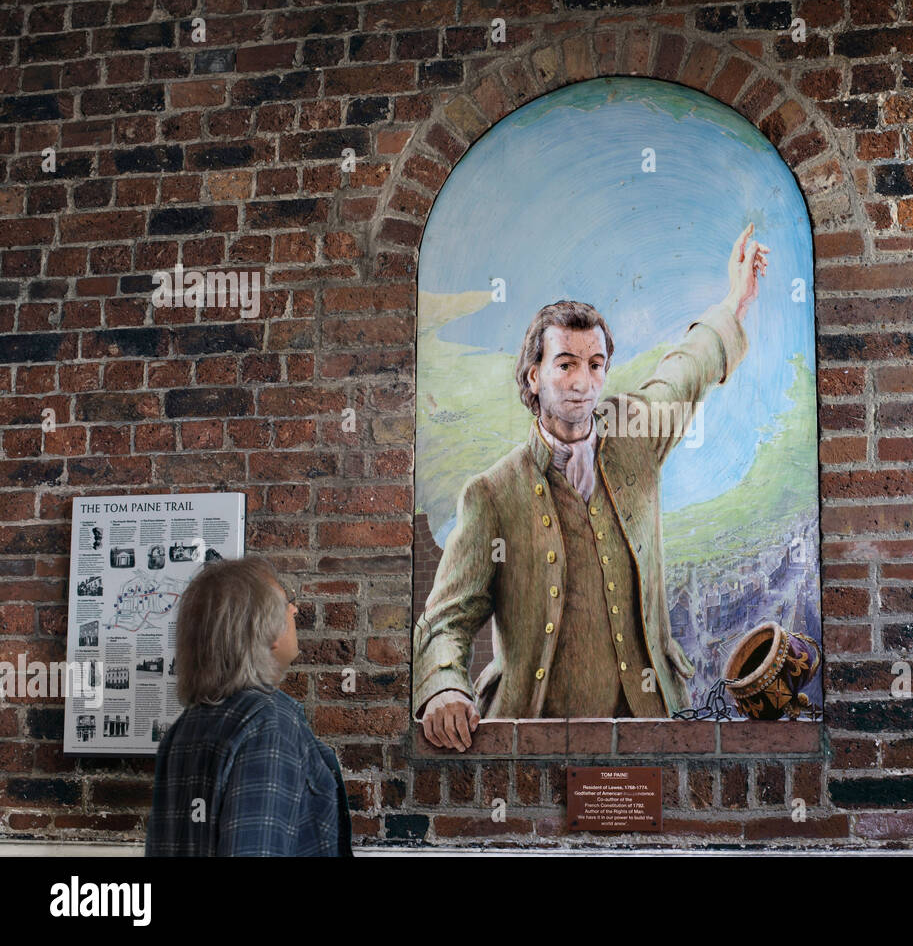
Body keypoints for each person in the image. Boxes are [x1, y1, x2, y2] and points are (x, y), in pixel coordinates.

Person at [415, 224, 770, 750]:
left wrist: (735, 300)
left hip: (651, 721)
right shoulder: (490, 494)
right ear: (533, 376)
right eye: (565, 365)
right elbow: (446, 619)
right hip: (532, 735)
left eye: (595, 364)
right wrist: (444, 688)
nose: (582, 381)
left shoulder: (636, 434)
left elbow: (685, 369)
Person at [146, 556, 352, 856]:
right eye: (284, 602)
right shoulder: (269, 726)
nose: (294, 609)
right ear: (262, 629)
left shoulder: (185, 728)